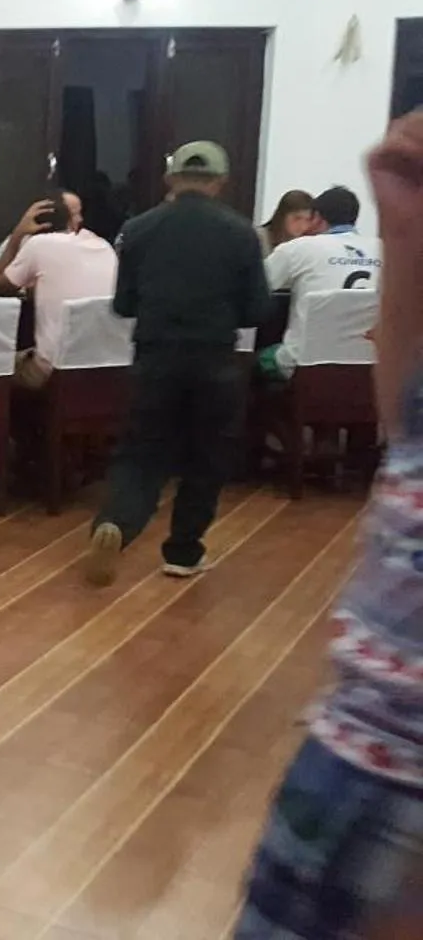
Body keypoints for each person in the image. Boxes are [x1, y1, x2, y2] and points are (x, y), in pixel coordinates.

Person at [233, 113, 423, 940]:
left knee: (250, 370)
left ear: (304, 221)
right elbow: (405, 416)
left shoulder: (294, 249)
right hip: (349, 762)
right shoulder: (376, 254)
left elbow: (256, 300)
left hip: (374, 770)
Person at [82, 142, 271, 586]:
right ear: (220, 182)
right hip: (215, 361)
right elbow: (257, 310)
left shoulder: (139, 228)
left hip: (155, 357)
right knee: (207, 457)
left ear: (171, 180)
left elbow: (124, 304)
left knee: (140, 453)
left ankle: (115, 523)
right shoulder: (242, 232)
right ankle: (183, 552)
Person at [0, 192, 119, 388]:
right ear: (70, 221)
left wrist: (17, 235)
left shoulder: (38, 244)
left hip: (54, 370)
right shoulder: (103, 245)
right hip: (106, 365)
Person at [260, 185, 383, 380]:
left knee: (259, 359)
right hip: (372, 368)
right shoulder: (384, 249)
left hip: (304, 366)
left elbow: (254, 286)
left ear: (316, 217)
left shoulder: (298, 248)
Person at [259, 188, 317, 257]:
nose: (302, 226)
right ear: (282, 216)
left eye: (307, 220)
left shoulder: (306, 243)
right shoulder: (259, 238)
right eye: (297, 218)